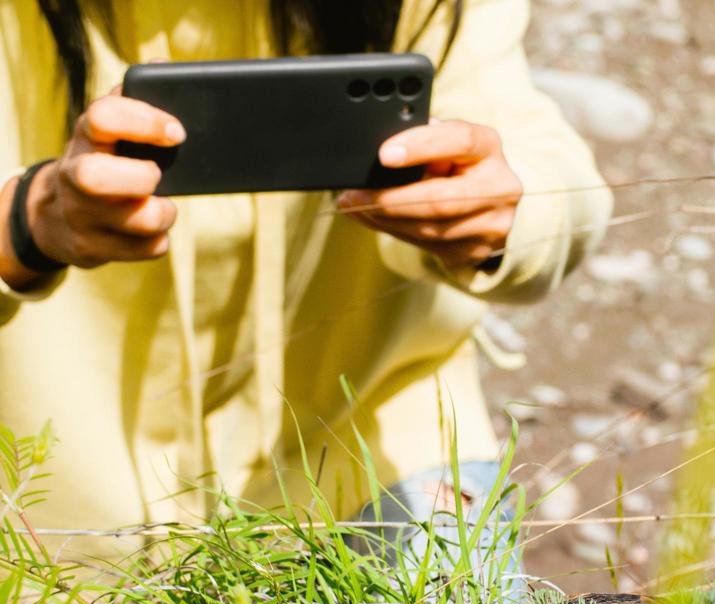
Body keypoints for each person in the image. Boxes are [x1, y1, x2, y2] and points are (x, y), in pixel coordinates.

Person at [0, 0, 612, 565]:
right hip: (49, 520)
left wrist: (505, 213)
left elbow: (554, 174)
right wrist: (31, 221)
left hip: (370, 451)